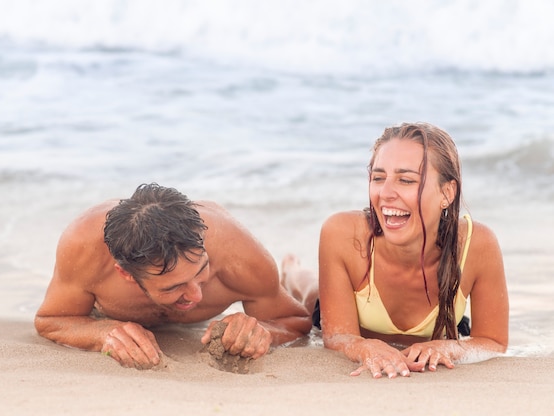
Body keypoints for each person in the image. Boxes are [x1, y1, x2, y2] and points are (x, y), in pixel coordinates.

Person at [283, 122, 509, 379]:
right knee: (308, 292)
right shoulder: (342, 233)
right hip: (340, 308)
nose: (386, 193)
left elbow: (493, 342)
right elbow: (337, 336)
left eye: (406, 180)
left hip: (440, 330)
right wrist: (363, 346)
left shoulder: (477, 244)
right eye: (378, 178)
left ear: (447, 192)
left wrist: (448, 348)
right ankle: (291, 269)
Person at [35, 183, 312, 369]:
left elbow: (295, 321)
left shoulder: (238, 253)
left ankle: (292, 269)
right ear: (126, 274)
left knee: (305, 288)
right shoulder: (84, 248)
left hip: (260, 271)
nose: (197, 295)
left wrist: (262, 331)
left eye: (202, 270)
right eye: (174, 286)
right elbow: (51, 320)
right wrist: (102, 332)